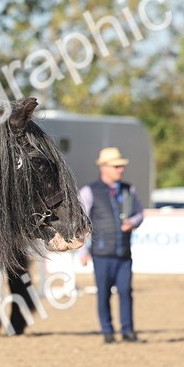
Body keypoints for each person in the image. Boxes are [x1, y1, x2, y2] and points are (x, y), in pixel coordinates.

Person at [78, 147, 145, 343]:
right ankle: (107, 331)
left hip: (123, 252)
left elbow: (140, 213)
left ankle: (128, 330)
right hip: (102, 253)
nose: (120, 170)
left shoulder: (128, 189)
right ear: (104, 167)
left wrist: (133, 222)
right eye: (116, 166)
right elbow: (81, 222)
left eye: (121, 166)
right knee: (103, 293)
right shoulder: (89, 191)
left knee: (125, 292)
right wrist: (83, 250)